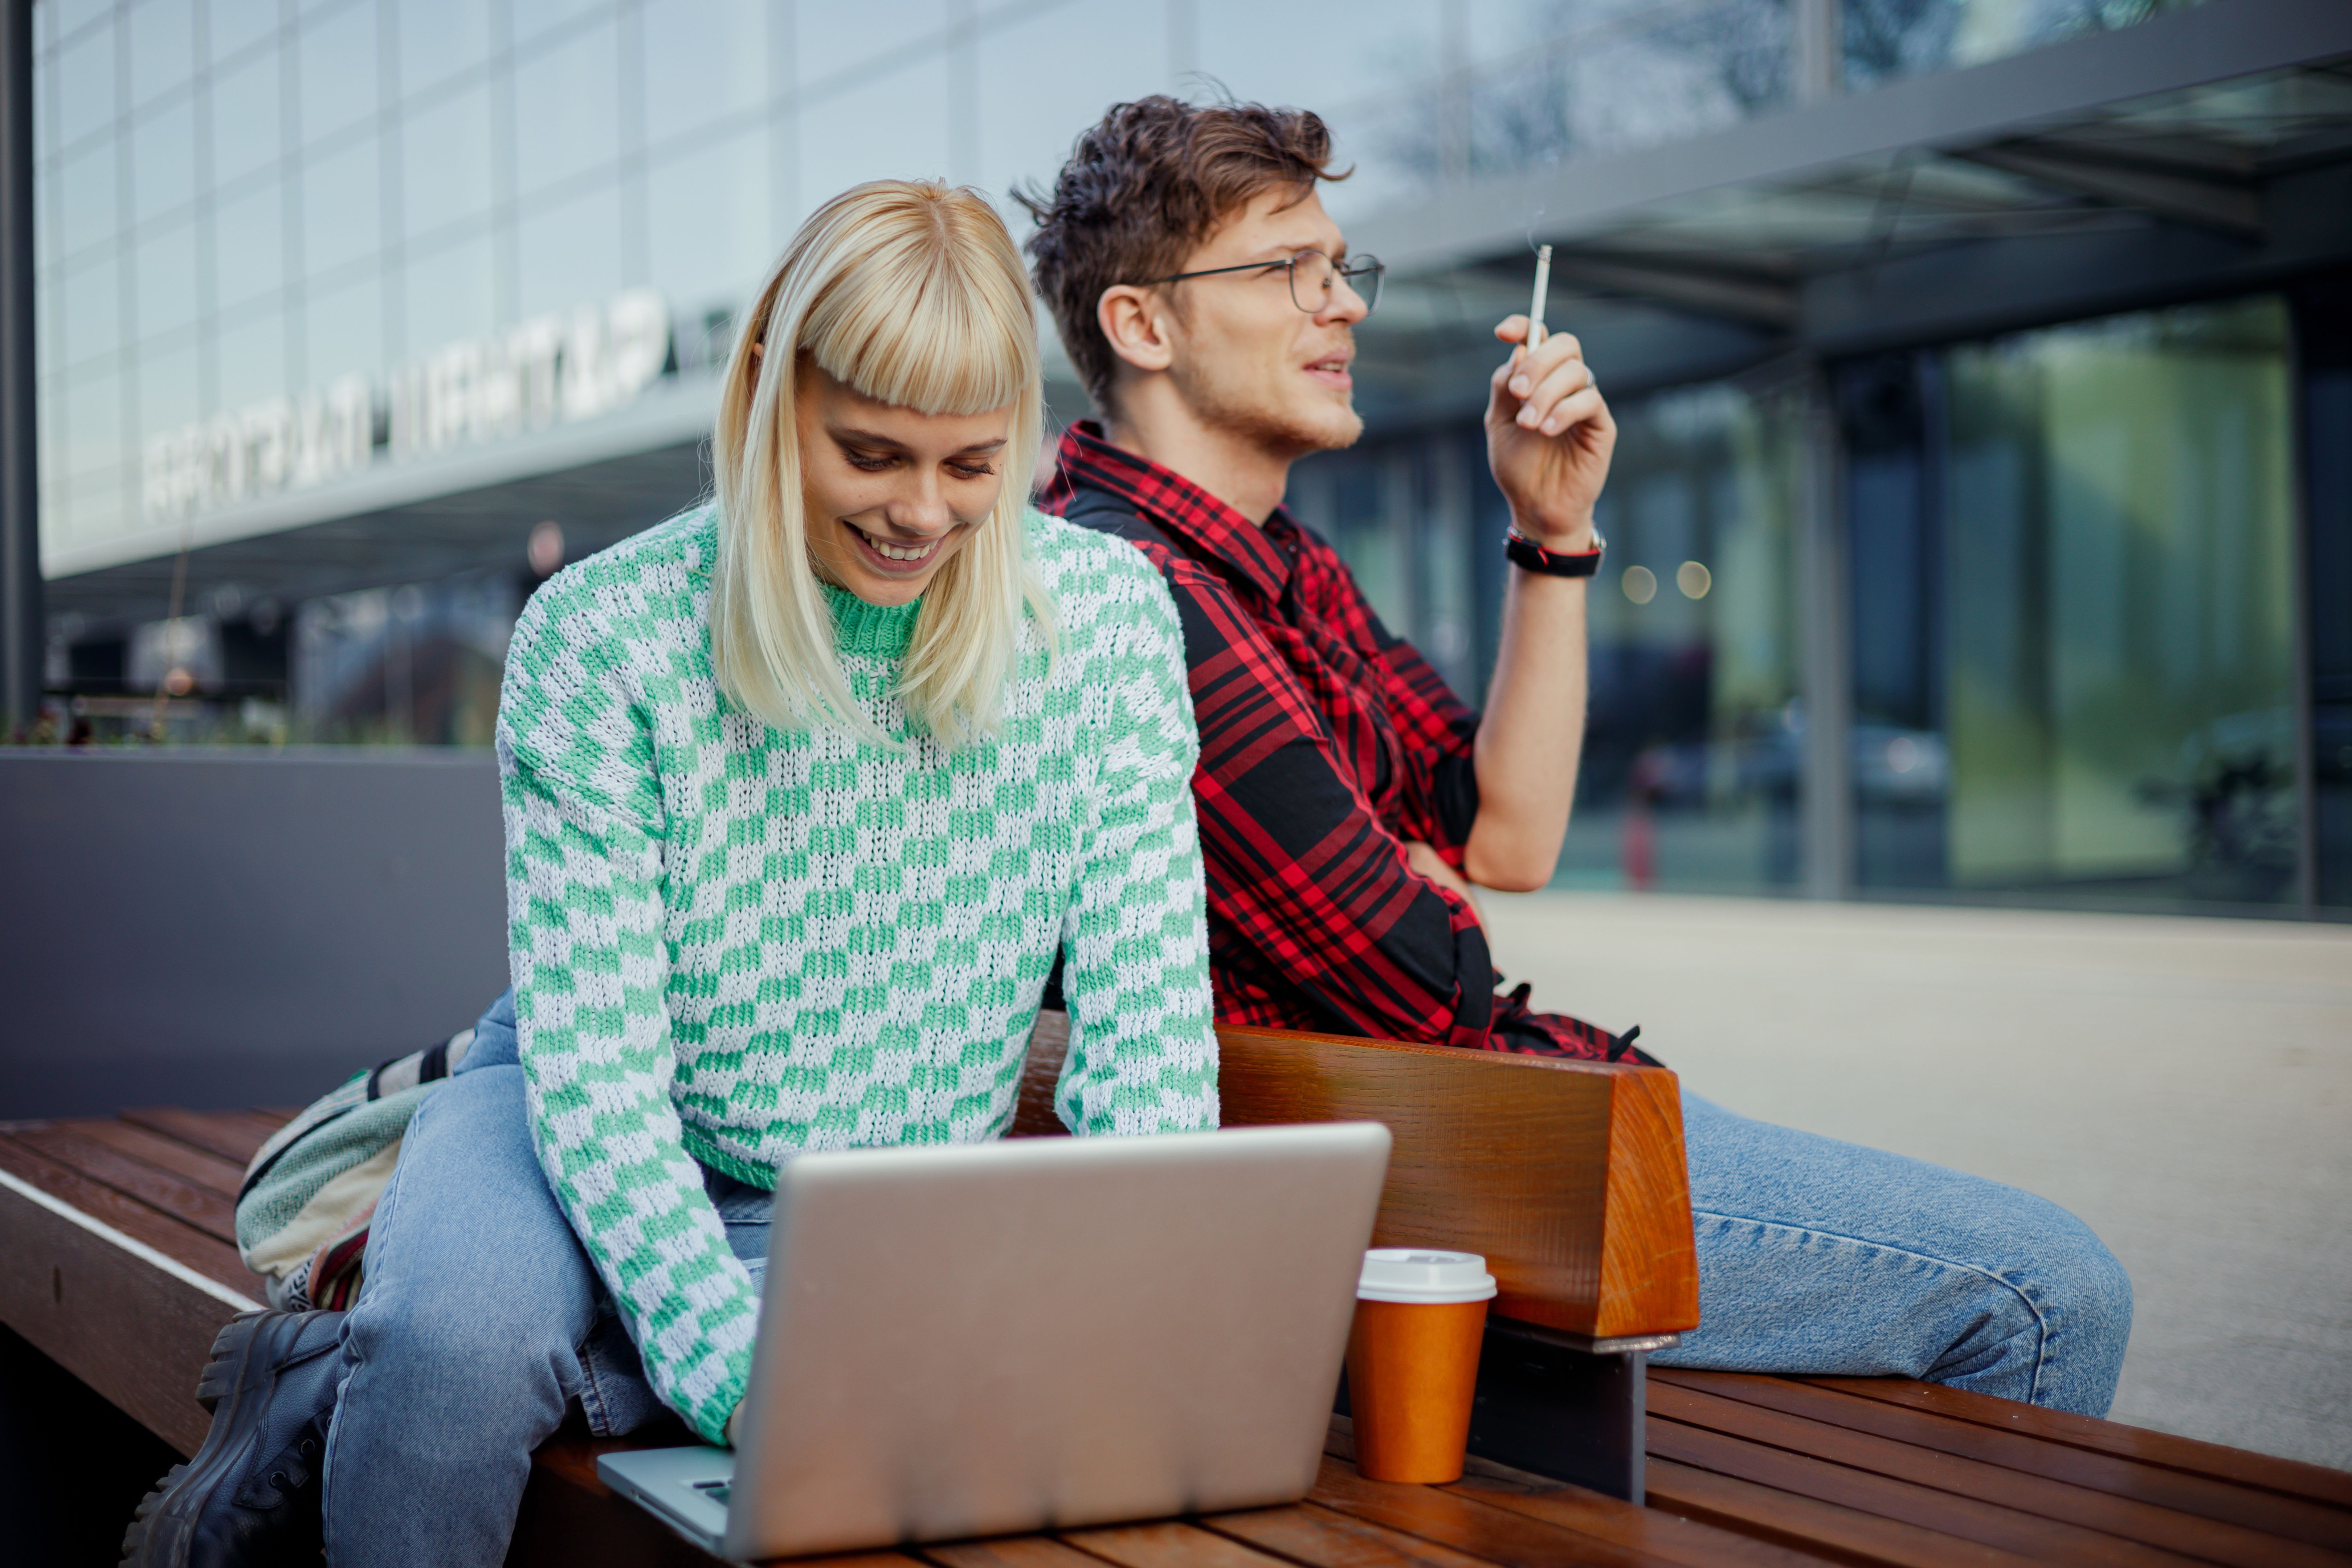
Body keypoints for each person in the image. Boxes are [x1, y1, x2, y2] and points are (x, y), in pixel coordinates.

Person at [124, 179, 1218, 1568]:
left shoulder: (1109, 630)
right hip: (579, 1112)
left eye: (971, 463)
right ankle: (390, 1358)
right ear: (768, 391)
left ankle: (323, 1384)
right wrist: (743, 1373)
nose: (922, 513)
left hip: (873, 1195)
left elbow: (1151, 1042)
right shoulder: (605, 640)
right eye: (871, 453)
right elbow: (601, 1091)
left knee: (515, 1366)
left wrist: (1147, 1312)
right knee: (458, 1342)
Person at [1020, 97, 2133, 1416]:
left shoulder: (1285, 565)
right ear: (1142, 324)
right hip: (1455, 1171)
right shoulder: (1133, 591)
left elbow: (1507, 839)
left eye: (1340, 268)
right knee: (2050, 1293)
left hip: (1530, 1108)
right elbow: (1424, 983)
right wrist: (1421, 884)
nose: (1345, 306)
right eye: (1287, 271)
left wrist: (1552, 532)